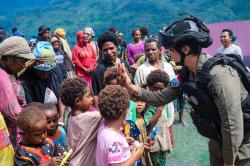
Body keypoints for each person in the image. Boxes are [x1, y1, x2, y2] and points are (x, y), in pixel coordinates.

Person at [120, 15, 250, 166]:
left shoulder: (219, 76)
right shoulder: (187, 73)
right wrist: (131, 87)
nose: (168, 53)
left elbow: (232, 124)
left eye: (171, 50)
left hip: (241, 145)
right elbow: (162, 97)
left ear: (185, 49)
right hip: (218, 140)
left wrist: (229, 162)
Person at [0, 36, 36, 147]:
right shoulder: (2, 78)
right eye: (22, 61)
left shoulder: (10, 72)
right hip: (10, 135)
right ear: (10, 58)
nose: (24, 65)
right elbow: (14, 113)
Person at [96, 85, 144, 166]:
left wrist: (125, 145)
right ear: (125, 112)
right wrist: (134, 157)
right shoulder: (114, 140)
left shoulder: (104, 128)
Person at [60, 77, 103, 165]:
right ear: (78, 101)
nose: (92, 99)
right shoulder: (90, 118)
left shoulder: (71, 117)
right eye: (88, 96)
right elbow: (109, 112)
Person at [91, 31, 131, 107]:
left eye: (111, 48)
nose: (109, 52)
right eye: (105, 50)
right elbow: (96, 94)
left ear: (117, 47)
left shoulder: (124, 64)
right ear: (101, 51)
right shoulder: (99, 70)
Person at [144, 70, 175, 166]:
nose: (158, 92)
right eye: (155, 88)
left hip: (162, 140)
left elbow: (168, 121)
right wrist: (159, 109)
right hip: (153, 142)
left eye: (161, 89)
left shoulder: (166, 100)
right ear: (149, 87)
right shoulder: (149, 103)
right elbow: (149, 125)